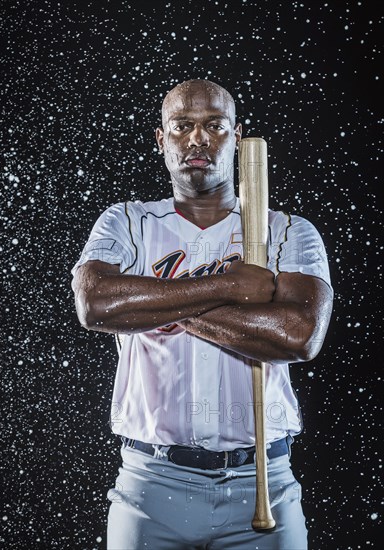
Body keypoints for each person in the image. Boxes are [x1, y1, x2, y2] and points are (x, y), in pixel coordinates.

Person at [71, 79, 333, 550]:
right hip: (150, 484)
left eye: (214, 125)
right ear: (161, 138)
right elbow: (96, 305)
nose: (197, 139)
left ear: (236, 135)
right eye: (182, 126)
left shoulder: (288, 229)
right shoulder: (127, 221)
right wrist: (231, 287)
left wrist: (153, 304)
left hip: (263, 480)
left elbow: (298, 336)